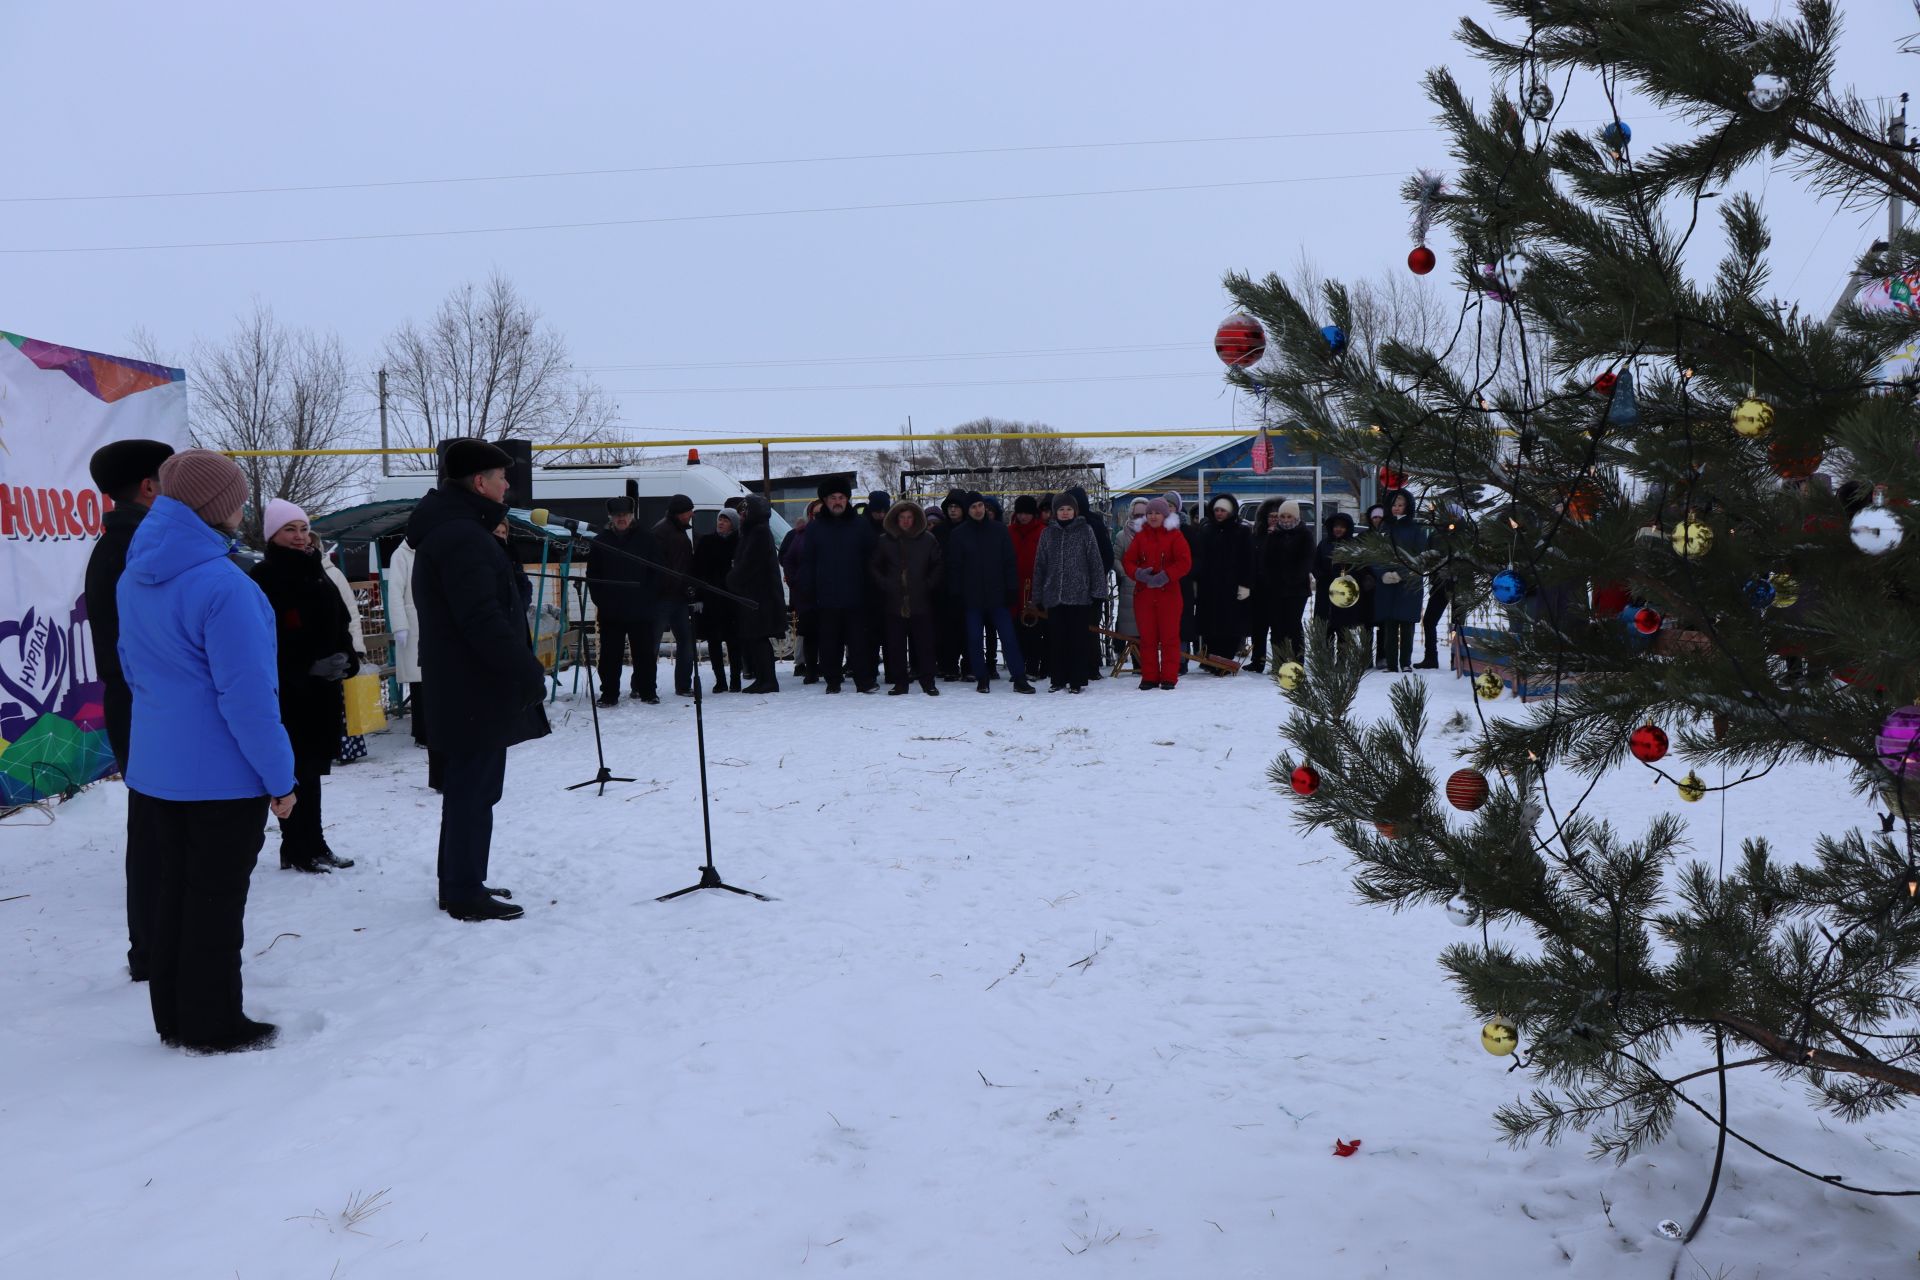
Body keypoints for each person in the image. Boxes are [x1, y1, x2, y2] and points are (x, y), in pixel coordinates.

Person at [118, 448, 296, 1052]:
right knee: (216, 905)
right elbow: (248, 699)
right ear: (217, 506)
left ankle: (173, 1015)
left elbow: (131, 669)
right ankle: (213, 1024)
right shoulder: (225, 585)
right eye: (237, 498)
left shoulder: (135, 572)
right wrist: (281, 779)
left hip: (157, 769)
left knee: (172, 899)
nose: (243, 506)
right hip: (221, 778)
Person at [406, 439, 551, 923]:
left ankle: (462, 880)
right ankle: (464, 890)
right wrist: (525, 670)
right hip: (473, 685)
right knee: (473, 790)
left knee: (473, 789)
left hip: (467, 684)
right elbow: (483, 619)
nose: (508, 485)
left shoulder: (460, 530)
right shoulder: (461, 537)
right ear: (478, 482)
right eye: (501, 476)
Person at [83, 437, 175, 983]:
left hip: (139, 705)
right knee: (155, 833)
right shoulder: (138, 547)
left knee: (153, 829)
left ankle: (154, 945)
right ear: (148, 487)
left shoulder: (121, 542)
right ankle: (153, 950)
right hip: (148, 708)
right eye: (169, 480)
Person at [249, 500, 359, 875]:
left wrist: (347, 658)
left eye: (303, 529)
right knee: (291, 771)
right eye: (289, 530)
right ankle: (296, 846)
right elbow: (266, 640)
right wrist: (305, 667)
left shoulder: (318, 570)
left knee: (312, 771)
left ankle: (314, 843)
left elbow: (340, 621)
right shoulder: (264, 577)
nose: (299, 537)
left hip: (323, 691)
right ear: (273, 536)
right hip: (291, 693)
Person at [945, 493, 1037, 694]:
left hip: (998, 595)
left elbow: (1009, 562)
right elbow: (954, 568)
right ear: (968, 510)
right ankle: (982, 678)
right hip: (972, 597)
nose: (978, 510)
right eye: (974, 507)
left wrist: (1012, 588)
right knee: (975, 639)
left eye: (980, 506)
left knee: (1008, 638)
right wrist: (956, 594)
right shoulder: (959, 534)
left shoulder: (998, 530)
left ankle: (1019, 678)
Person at [801, 478, 879, 693]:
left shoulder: (860, 525)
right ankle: (832, 681)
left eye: (841, 498)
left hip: (856, 595)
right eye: (833, 498)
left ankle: (863, 681)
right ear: (825, 501)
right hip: (826, 597)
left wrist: (871, 588)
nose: (837, 502)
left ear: (847, 500)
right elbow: (807, 561)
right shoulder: (815, 528)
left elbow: (872, 558)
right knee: (829, 644)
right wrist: (807, 591)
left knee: (859, 643)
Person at [1030, 490, 1108, 693]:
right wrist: (1037, 595)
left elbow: (1095, 563)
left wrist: (1098, 592)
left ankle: (1077, 680)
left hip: (1080, 596)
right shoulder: (1048, 533)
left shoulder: (1086, 531)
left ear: (1075, 511)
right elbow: (1040, 566)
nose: (1065, 513)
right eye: (1061, 509)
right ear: (1055, 512)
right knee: (1057, 640)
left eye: (1069, 509)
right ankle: (1058, 679)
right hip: (1054, 596)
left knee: (1078, 640)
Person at [585, 496, 659, 705]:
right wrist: (602, 601)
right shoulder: (601, 541)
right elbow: (593, 576)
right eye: (617, 516)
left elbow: (657, 572)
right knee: (609, 657)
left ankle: (648, 692)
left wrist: (649, 598)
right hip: (612, 611)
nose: (621, 519)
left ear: (631, 516)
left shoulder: (647, 539)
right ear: (611, 518)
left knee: (644, 654)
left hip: (641, 610)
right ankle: (609, 694)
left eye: (625, 515)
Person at [869, 500, 944, 695]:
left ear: (916, 518)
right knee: (896, 646)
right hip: (894, 602)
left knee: (925, 645)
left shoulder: (928, 539)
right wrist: (886, 584)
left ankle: (928, 682)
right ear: (895, 519)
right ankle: (900, 682)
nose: (906, 521)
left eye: (910, 517)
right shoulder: (885, 540)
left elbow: (938, 565)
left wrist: (927, 585)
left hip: (921, 601)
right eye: (902, 517)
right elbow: (874, 566)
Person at [1120, 497, 1192, 689]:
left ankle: (1169, 677)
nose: (1153, 516)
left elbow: (1184, 562)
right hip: (1144, 594)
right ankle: (1149, 676)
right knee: (1147, 638)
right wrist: (1138, 573)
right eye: (1150, 513)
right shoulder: (1141, 536)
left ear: (1165, 515)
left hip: (1168, 594)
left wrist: (1166, 575)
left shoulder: (1175, 536)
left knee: (1169, 638)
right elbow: (1128, 561)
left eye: (1157, 513)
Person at [319, 542, 372, 765]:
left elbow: (351, 611)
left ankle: (346, 749)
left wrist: (356, 646)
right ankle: (328, 747)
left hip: (337, 648)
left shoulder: (334, 574)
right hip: (317, 651)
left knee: (344, 703)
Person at [727, 495, 787, 693]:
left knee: (758, 637)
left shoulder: (758, 532)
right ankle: (763, 678)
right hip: (757, 594)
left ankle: (767, 680)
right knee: (755, 638)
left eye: (744, 511)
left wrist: (732, 578)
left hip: (759, 596)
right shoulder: (755, 531)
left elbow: (749, 564)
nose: (741, 515)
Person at [1192, 494, 1254, 674]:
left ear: (1231, 511)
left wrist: (1246, 584)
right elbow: (1200, 558)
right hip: (1209, 586)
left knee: (1230, 626)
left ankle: (1225, 660)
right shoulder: (1206, 530)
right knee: (1210, 626)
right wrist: (1197, 581)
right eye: (1217, 510)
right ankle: (1211, 659)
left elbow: (1248, 560)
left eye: (1223, 510)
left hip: (1232, 587)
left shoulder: (1242, 531)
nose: (1219, 514)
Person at [647, 495, 700, 698]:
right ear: (680, 512)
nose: (692, 515)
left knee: (686, 642)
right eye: (689, 511)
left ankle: (683, 685)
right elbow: (658, 567)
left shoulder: (676, 531)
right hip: (663, 598)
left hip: (678, 596)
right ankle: (643, 684)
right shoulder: (662, 532)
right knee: (652, 644)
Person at [1371, 489, 1428, 673]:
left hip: (1409, 583)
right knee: (1389, 625)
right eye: (1394, 505)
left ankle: (1405, 661)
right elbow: (1375, 555)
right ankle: (1390, 662)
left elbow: (1421, 556)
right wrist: (1382, 574)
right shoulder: (1384, 528)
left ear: (1408, 505)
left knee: (1407, 625)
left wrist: (1403, 573)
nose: (1396, 508)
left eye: (1400, 504)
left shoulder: (1416, 528)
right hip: (1387, 584)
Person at [1254, 500, 1314, 669]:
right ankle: (1278, 662)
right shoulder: (1274, 535)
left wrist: (1293, 577)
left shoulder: (1304, 534)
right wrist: (1271, 578)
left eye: (1289, 516)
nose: (1286, 519)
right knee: (1277, 626)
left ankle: (1297, 660)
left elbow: (1307, 560)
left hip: (1297, 589)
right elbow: (1265, 560)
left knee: (1294, 625)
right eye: (1283, 516)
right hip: (1275, 588)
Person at [1065, 485, 1112, 681]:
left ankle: (1092, 666)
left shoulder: (1094, 524)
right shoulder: (1064, 524)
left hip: (1092, 587)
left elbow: (1106, 556)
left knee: (1090, 628)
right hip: (1070, 587)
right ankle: (1077, 665)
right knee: (1073, 628)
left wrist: (1095, 579)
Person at [694, 507, 743, 692]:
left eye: (726, 520)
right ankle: (720, 680)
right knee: (714, 641)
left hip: (732, 599)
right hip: (711, 599)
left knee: (734, 641)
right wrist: (698, 596)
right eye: (719, 519)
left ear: (733, 524)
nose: (721, 523)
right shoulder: (707, 542)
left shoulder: (739, 542)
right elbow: (697, 570)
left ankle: (735, 679)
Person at [385, 535, 426, 747]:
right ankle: (421, 733)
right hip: (412, 628)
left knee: (430, 681)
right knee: (419, 683)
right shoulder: (401, 555)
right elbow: (395, 593)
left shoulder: (427, 550)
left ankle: (431, 730)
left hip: (428, 626)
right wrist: (400, 626)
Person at [780, 498, 823, 682]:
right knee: (808, 634)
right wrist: (796, 580)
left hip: (829, 591)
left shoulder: (833, 532)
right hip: (806, 593)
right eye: (816, 514)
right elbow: (786, 558)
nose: (818, 517)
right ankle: (808, 668)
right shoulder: (798, 535)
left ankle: (829, 668)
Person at [1312, 510, 1365, 656]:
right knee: (1326, 628)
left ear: (1347, 528)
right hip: (1325, 590)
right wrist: (1321, 576)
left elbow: (1360, 567)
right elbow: (1315, 564)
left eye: (1342, 526)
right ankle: (1326, 659)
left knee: (1342, 629)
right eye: (1336, 526)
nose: (1338, 529)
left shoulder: (1353, 545)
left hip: (1344, 592)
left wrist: (1349, 577)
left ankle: (1342, 660)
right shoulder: (1324, 544)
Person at [1008, 494, 1049, 680]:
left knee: (1034, 630)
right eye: (1020, 513)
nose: (1023, 517)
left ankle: (1033, 667)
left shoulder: (1043, 532)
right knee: (1015, 630)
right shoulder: (1009, 531)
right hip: (1014, 587)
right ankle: (1018, 666)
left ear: (1034, 514)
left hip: (1036, 587)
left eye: (1027, 513)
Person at [932, 488, 970, 681]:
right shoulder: (939, 531)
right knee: (946, 631)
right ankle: (948, 666)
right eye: (950, 507)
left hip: (967, 587)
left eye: (957, 507)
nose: (953, 510)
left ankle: (968, 666)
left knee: (968, 630)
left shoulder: (971, 529)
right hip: (944, 588)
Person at [1111, 498, 1150, 674]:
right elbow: (1116, 558)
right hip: (1129, 585)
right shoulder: (1122, 535)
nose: (1140, 518)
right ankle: (1137, 664)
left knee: (1148, 625)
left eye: (1144, 514)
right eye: (1137, 514)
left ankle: (1148, 662)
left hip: (1150, 584)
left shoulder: (1154, 533)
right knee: (1132, 627)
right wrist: (1124, 574)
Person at [1359, 503, 1387, 666]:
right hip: (1367, 586)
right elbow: (1357, 559)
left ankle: (1382, 655)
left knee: (1384, 622)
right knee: (1367, 622)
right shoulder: (1363, 537)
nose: (1377, 520)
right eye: (1374, 517)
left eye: (1380, 517)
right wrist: (1365, 575)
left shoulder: (1389, 536)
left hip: (1385, 584)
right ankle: (1366, 656)